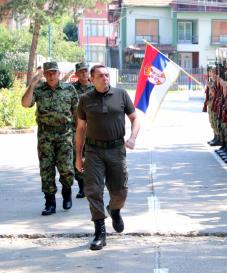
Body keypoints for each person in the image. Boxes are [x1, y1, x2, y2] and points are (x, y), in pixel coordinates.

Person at [75, 64, 140, 250]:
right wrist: (78, 157)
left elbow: (135, 118)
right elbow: (80, 129)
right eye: (101, 76)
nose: (105, 78)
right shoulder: (85, 100)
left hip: (116, 149)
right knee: (93, 190)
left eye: (107, 75)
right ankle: (99, 231)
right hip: (93, 151)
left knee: (120, 191)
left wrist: (133, 138)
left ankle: (115, 209)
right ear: (92, 79)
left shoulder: (121, 95)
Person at [21, 61, 79, 215]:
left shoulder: (69, 89)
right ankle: (50, 202)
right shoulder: (39, 89)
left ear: (59, 74)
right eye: (48, 73)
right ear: (44, 75)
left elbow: (77, 114)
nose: (51, 75)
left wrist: (77, 135)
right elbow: (25, 104)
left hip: (65, 134)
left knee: (66, 169)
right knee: (46, 170)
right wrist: (32, 85)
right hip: (45, 136)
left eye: (54, 72)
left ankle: (67, 193)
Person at [72, 62, 94, 198]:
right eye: (81, 71)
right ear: (76, 74)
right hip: (77, 128)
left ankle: (92, 185)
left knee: (92, 157)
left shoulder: (95, 87)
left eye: (86, 71)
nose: (84, 74)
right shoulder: (71, 89)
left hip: (93, 128)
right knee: (78, 156)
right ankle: (81, 187)